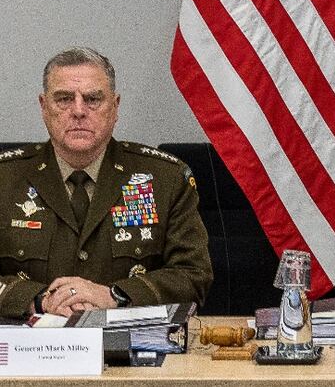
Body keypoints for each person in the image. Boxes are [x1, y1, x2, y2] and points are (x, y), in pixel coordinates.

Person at [0, 47, 212, 318]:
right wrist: (38, 300)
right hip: (28, 349)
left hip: (133, 349)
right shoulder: (6, 178)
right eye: (64, 99)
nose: (78, 111)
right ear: (44, 107)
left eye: (93, 99)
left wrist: (114, 295)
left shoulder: (165, 178)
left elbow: (194, 276)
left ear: (115, 107)